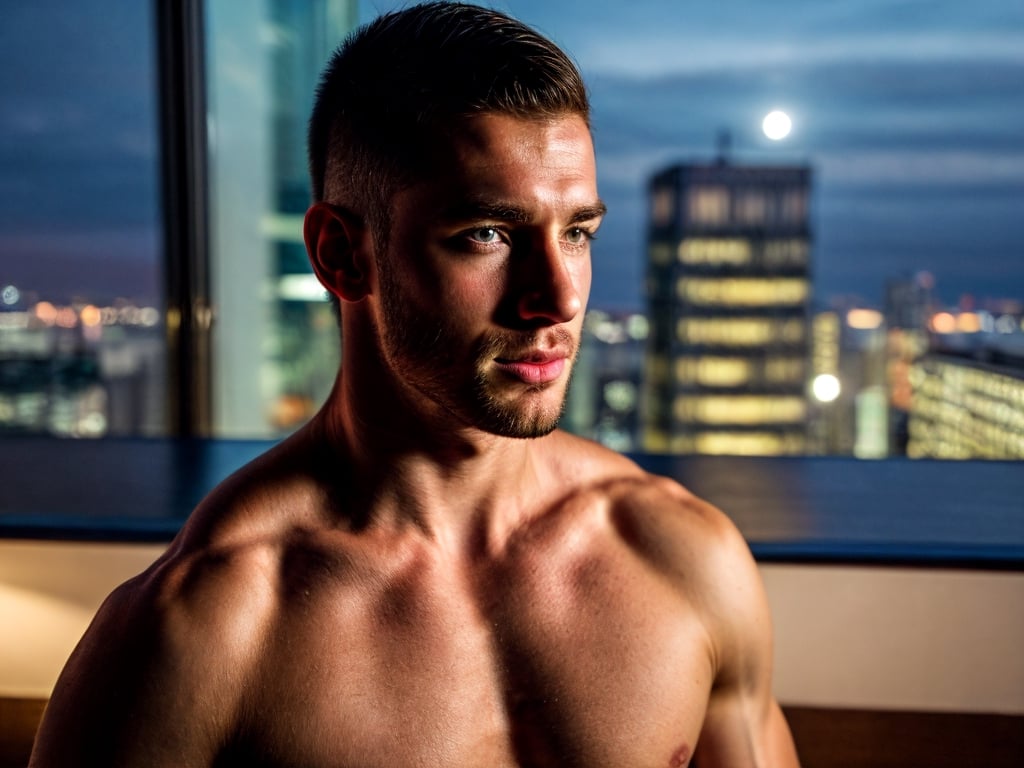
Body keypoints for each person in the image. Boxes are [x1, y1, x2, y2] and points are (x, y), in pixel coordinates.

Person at [31, 3, 800, 766]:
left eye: (577, 232)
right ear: (342, 254)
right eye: (488, 235)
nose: (558, 297)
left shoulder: (683, 556)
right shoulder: (201, 632)